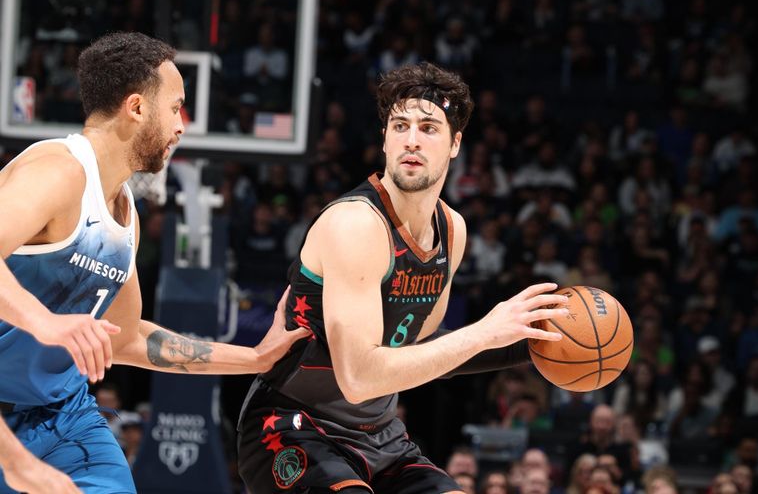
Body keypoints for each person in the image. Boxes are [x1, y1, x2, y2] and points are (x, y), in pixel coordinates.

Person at [238, 62, 569, 493]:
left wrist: (528, 344)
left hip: (380, 435)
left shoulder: (452, 230)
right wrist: (485, 332)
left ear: (455, 143)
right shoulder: (355, 225)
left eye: (429, 128)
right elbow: (358, 378)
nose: (411, 139)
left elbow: (420, 354)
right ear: (385, 138)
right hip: (290, 424)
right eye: (400, 125)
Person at [0, 31, 308, 493]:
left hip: (63, 416)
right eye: (175, 107)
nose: (182, 125)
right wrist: (45, 322)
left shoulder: (125, 212)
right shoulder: (59, 171)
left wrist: (254, 358)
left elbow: (127, 338)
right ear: (137, 107)